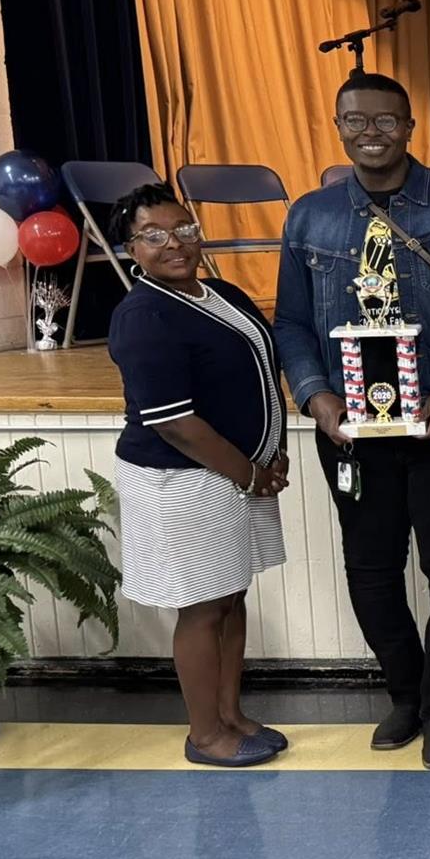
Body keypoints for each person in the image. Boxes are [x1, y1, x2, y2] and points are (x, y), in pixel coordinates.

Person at [275, 69, 430, 768]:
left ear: (410, 126)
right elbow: (290, 320)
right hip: (351, 435)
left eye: (385, 121)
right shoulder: (309, 216)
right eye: (355, 122)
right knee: (371, 570)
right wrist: (316, 396)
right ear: (338, 127)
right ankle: (405, 693)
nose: (370, 134)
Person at [107, 184, 290, 767]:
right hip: (182, 479)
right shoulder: (143, 315)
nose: (175, 244)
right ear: (131, 248)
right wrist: (250, 473)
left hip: (234, 475)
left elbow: (257, 378)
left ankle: (231, 715)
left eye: (184, 229)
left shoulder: (218, 292)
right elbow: (175, 423)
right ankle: (205, 734)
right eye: (154, 236)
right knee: (203, 606)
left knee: (231, 597)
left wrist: (273, 452)